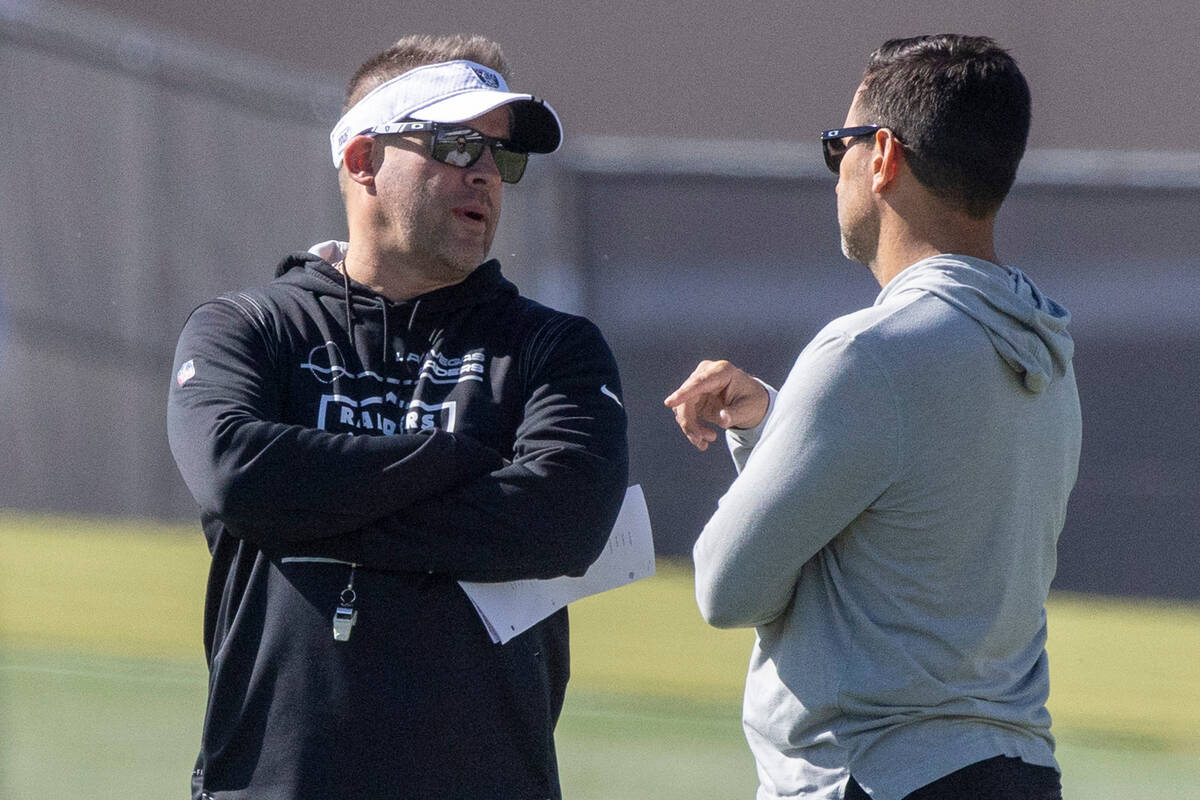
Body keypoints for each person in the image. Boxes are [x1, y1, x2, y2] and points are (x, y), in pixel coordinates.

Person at [167, 34, 628, 800]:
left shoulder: (554, 348)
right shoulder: (245, 328)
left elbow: (565, 519)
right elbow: (236, 472)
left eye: (499, 154)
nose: (484, 171)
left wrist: (303, 509)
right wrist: (458, 458)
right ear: (361, 161)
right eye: (453, 143)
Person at [665, 35, 1080, 800]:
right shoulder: (1047, 350)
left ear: (883, 155)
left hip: (876, 776)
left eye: (839, 147)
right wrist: (774, 429)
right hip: (1018, 771)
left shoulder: (868, 353)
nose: (835, 173)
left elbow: (725, 588)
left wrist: (786, 432)